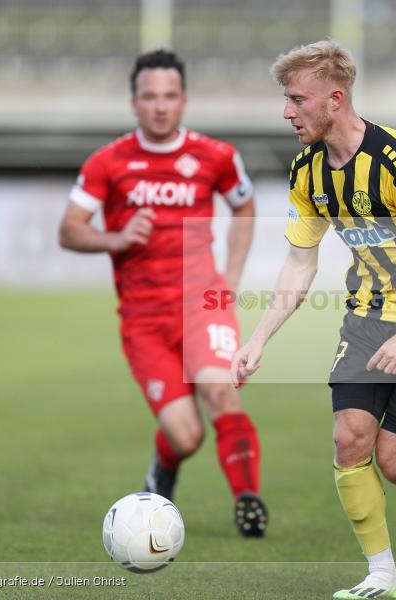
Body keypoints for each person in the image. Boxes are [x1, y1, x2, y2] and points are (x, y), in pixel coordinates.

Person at [231, 40, 396, 597]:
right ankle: (382, 575)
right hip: (367, 316)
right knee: (349, 439)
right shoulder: (307, 171)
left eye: (298, 99)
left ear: (335, 99)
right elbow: (301, 262)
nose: (287, 112)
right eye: (286, 100)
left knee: (395, 464)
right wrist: (259, 339)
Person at [59, 49, 268, 538]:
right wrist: (116, 238)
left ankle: (248, 501)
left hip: (203, 305)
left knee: (221, 392)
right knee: (186, 435)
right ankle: (164, 467)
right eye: (150, 96)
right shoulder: (107, 162)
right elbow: (69, 229)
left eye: (169, 96)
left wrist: (231, 277)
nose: (159, 106)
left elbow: (244, 206)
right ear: (134, 102)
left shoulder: (216, 156)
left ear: (184, 100)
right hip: (144, 319)